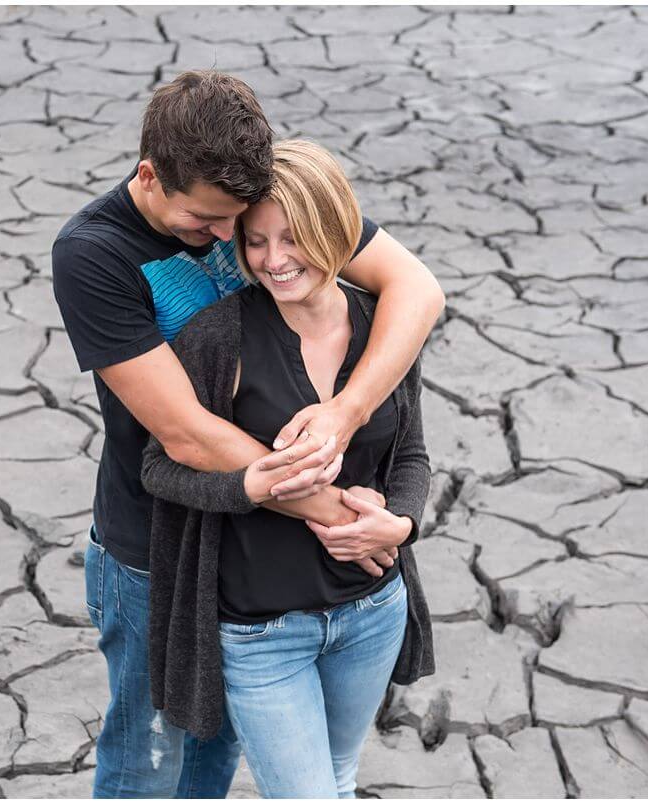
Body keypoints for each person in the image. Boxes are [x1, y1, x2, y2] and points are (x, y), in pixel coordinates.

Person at [51, 71, 443, 798]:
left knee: (221, 760)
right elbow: (186, 437)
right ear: (149, 176)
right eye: (207, 223)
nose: (233, 241)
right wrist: (352, 521)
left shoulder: (261, 208)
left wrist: (345, 412)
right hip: (158, 554)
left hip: (264, 559)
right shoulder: (94, 254)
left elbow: (416, 289)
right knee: (155, 768)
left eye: (242, 221)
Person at [140, 139, 434, 798]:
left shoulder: (383, 327)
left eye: (293, 239)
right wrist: (256, 484)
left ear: (336, 230)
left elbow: (409, 451)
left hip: (371, 614)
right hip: (260, 633)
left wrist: (402, 526)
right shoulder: (217, 339)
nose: (273, 261)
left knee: (337, 777)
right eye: (255, 242)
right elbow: (159, 468)